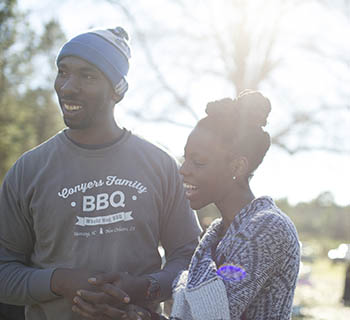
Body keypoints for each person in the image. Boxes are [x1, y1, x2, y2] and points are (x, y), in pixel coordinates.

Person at [0, 26, 202, 320]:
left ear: (116, 91)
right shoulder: (28, 170)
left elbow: (190, 259)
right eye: (63, 72)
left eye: (88, 76)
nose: (68, 87)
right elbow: (4, 271)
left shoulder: (160, 165)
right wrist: (60, 282)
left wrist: (145, 288)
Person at [73, 90, 300, 320]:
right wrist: (136, 296)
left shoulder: (267, 228)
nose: (183, 170)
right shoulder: (216, 233)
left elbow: (211, 314)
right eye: (185, 158)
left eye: (198, 162)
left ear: (237, 168)